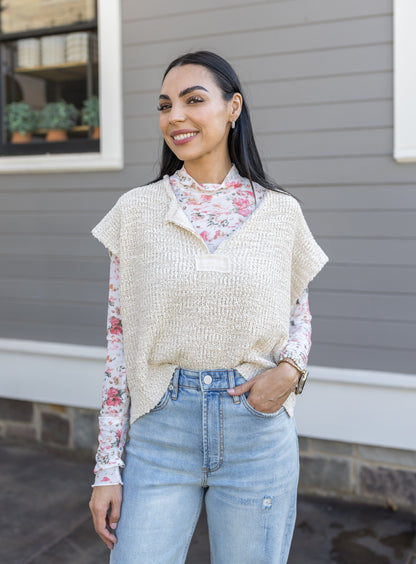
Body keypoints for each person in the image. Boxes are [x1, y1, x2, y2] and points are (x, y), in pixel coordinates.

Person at [89, 50, 329, 564]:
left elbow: (298, 317)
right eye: (164, 104)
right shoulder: (136, 211)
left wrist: (290, 371)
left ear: (233, 107)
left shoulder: (280, 212)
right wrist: (107, 468)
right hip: (160, 430)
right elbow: (118, 342)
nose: (175, 116)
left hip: (257, 430)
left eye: (193, 100)